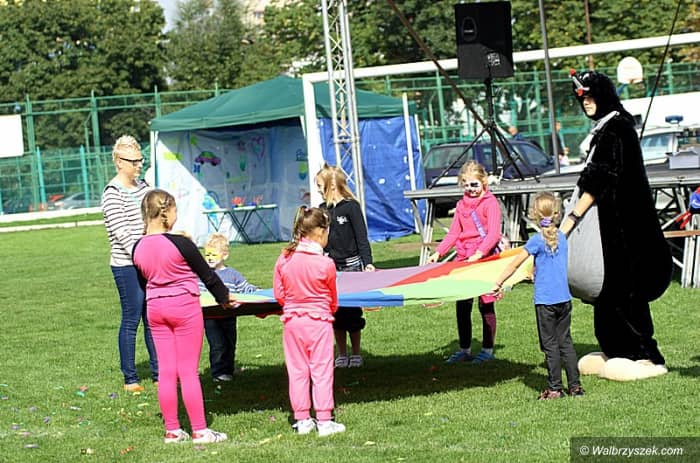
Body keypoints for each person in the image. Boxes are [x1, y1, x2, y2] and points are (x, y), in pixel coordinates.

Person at [562, 70, 671, 381]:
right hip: (607, 227)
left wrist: (570, 221)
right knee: (607, 296)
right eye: (583, 98)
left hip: (626, 230)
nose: (586, 103)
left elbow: (599, 178)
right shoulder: (605, 128)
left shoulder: (617, 128)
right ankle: (614, 350)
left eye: (591, 96)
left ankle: (646, 357)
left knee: (627, 294)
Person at [133, 189, 236, 444]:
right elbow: (208, 276)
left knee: (166, 371)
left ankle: (172, 430)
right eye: (175, 210)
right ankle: (200, 430)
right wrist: (224, 298)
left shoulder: (137, 247)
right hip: (184, 307)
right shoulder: (181, 243)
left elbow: (143, 282)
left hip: (155, 309)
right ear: (166, 212)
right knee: (188, 371)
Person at [492, 192, 584, 400]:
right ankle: (575, 387)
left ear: (534, 214)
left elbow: (514, 264)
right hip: (564, 299)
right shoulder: (562, 237)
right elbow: (572, 220)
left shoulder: (535, 241)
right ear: (557, 214)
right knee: (566, 343)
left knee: (550, 346)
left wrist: (498, 283)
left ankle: (555, 389)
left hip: (545, 302)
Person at [273, 206, 346, 437]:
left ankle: (302, 419)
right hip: (319, 322)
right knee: (321, 370)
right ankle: (324, 420)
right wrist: (328, 309)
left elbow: (279, 294)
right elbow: (332, 297)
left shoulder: (284, 258)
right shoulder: (326, 264)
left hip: (293, 321)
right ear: (320, 232)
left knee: (297, 371)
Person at [427, 161, 502, 364]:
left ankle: (487, 350)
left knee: (486, 304)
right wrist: (439, 252)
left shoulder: (490, 203)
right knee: (462, 304)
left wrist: (479, 253)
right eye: (466, 185)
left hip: (484, 258)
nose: (470, 189)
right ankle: (464, 349)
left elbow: (494, 233)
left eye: (474, 184)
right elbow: (454, 233)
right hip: (463, 258)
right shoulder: (461, 205)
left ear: (484, 182)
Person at [101, 135, 158, 393]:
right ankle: (131, 378)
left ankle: (159, 374)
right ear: (119, 162)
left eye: (140, 160)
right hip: (126, 265)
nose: (138, 165)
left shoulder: (145, 187)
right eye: (133, 161)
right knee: (131, 318)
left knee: (152, 318)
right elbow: (122, 234)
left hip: (150, 262)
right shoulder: (112, 194)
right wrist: (143, 256)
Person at [315, 164, 375, 369]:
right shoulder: (323, 210)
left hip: (352, 268)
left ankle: (356, 353)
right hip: (332, 268)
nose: (317, 189)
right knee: (336, 312)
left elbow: (362, 238)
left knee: (352, 313)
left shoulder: (351, 207)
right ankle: (342, 353)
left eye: (320, 185)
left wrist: (367, 263)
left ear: (331, 185)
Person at [201, 233, 259, 382]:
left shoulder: (232, 274)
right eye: (207, 254)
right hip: (211, 317)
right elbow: (198, 292)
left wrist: (257, 292)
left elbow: (245, 288)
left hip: (229, 316)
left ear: (224, 255)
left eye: (213, 254)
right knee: (217, 345)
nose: (210, 258)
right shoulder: (203, 275)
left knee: (230, 343)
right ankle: (218, 372)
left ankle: (228, 370)